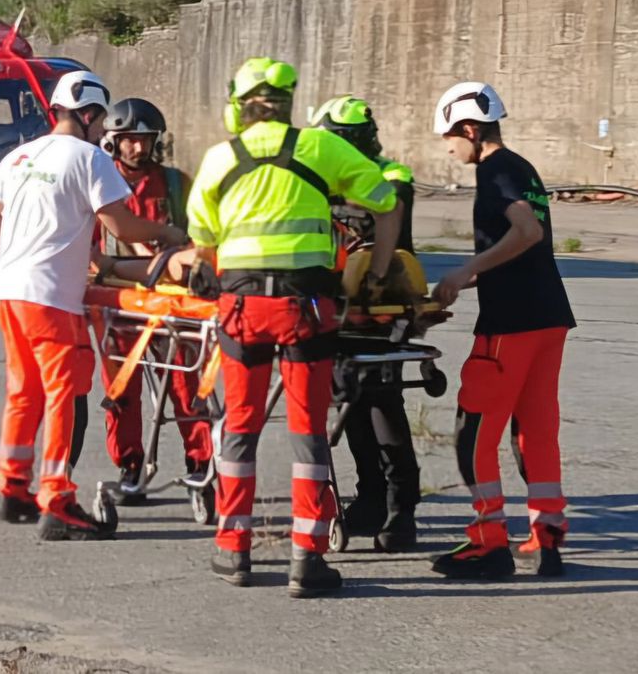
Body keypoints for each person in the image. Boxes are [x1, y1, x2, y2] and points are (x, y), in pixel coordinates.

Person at [187, 58, 403, 597]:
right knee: (307, 431)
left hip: (242, 310)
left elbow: (203, 242)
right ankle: (308, 556)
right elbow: (386, 201)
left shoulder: (218, 159)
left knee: (239, 428)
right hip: (306, 309)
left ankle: (233, 548)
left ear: (238, 104)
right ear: (286, 104)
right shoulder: (321, 149)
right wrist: (376, 274)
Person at [0, 71, 188, 541]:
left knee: (23, 390)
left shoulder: (19, 155)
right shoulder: (88, 158)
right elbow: (125, 227)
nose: (102, 133)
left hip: (7, 289)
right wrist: (170, 236)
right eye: (100, 122)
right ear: (89, 115)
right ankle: (57, 499)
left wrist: (24, 248)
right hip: (50, 297)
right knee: (62, 396)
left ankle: (13, 486)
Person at [428, 81, 575, 580]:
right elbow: (526, 248)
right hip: (548, 316)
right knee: (535, 432)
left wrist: (465, 270)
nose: (449, 147)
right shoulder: (524, 168)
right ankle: (545, 539)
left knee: (474, 435)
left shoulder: (495, 171)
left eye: (450, 136)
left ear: (470, 128)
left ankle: (489, 543)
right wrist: (477, 278)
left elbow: (527, 231)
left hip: (510, 325)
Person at [310, 94, 422, 552]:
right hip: (339, 309)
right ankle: (371, 497)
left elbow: (385, 231)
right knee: (352, 403)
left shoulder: (389, 180)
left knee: (381, 404)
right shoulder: (334, 181)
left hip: (380, 307)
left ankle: (401, 509)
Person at [94, 97, 213, 504]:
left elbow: (201, 238)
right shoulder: (98, 181)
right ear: (113, 141)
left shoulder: (178, 185)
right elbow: (90, 253)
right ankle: (130, 465)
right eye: (129, 140)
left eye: (145, 140)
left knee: (186, 384)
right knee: (121, 388)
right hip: (118, 301)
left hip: (175, 304)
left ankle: (200, 465)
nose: (139, 148)